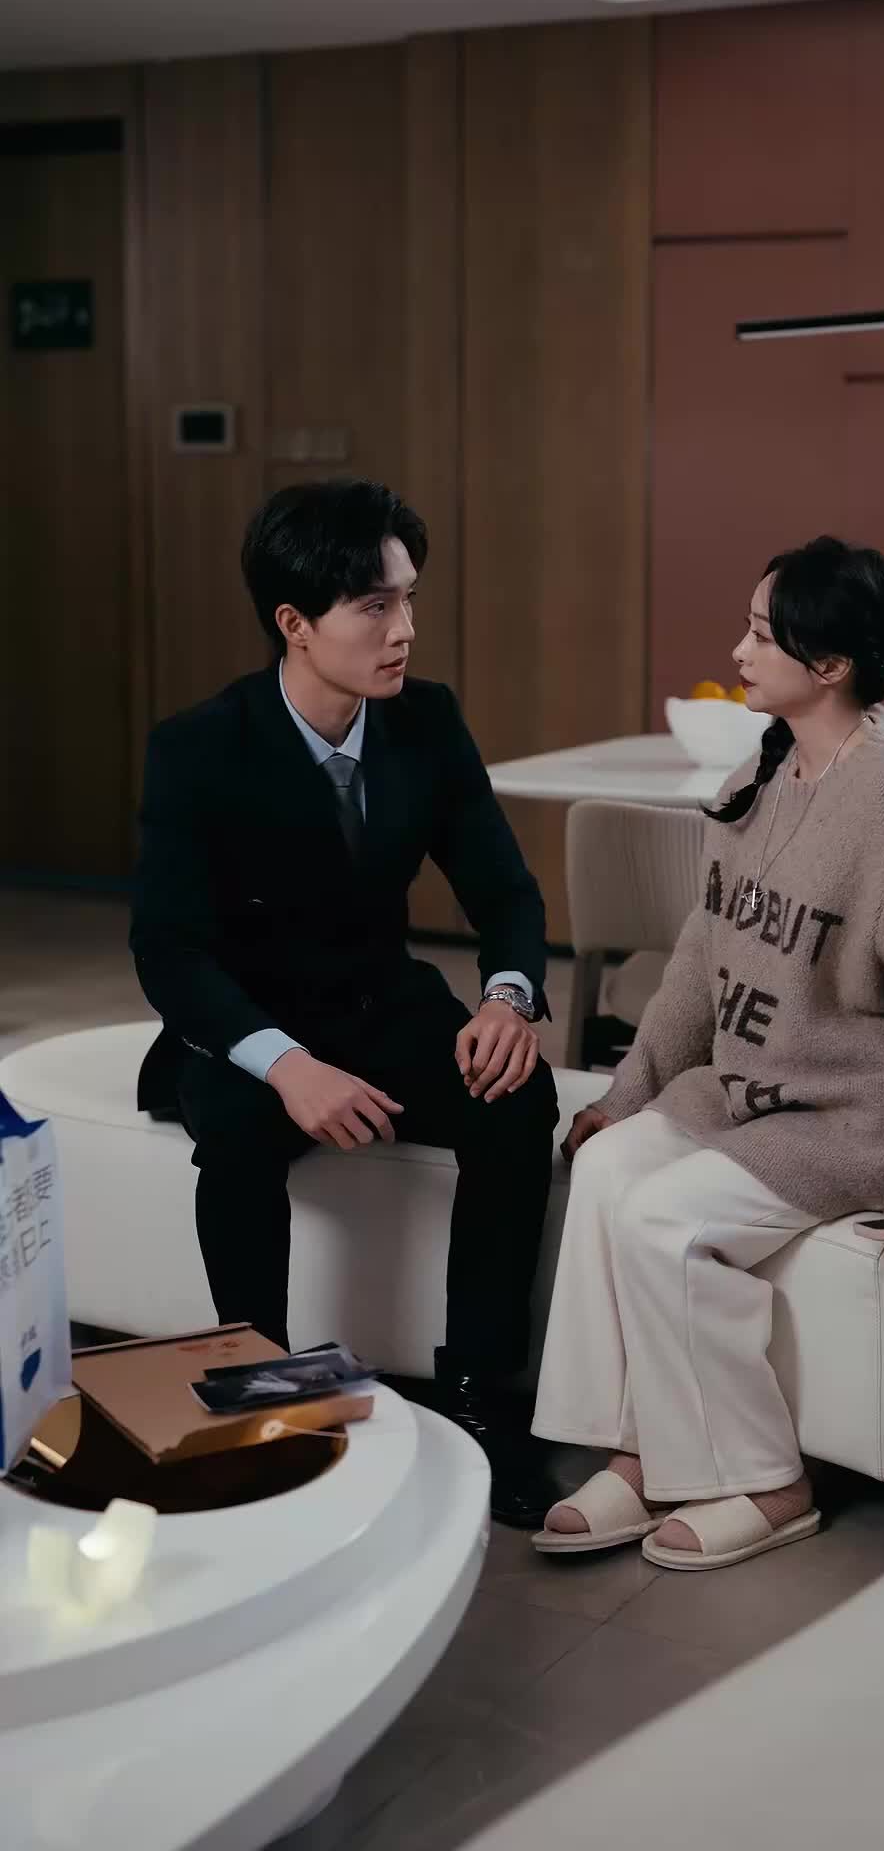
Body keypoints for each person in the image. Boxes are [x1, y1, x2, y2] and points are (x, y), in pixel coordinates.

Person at [531, 536, 884, 1568]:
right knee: (608, 1165)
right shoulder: (765, 769)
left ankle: (764, 1478)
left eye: (760, 635)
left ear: (828, 664)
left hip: (852, 1120)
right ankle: (638, 1451)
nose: (738, 652)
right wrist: (632, 1091)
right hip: (752, 1094)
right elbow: (698, 958)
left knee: (661, 1219)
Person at [130, 477, 560, 1527]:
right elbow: (168, 949)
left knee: (516, 1096)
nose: (404, 629)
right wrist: (286, 1065)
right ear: (295, 623)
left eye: (407, 599)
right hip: (246, 1021)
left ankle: (479, 1393)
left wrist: (508, 998)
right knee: (238, 1134)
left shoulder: (427, 721)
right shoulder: (200, 745)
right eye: (374, 606)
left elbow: (504, 891)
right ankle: (262, 1398)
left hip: (380, 1003)